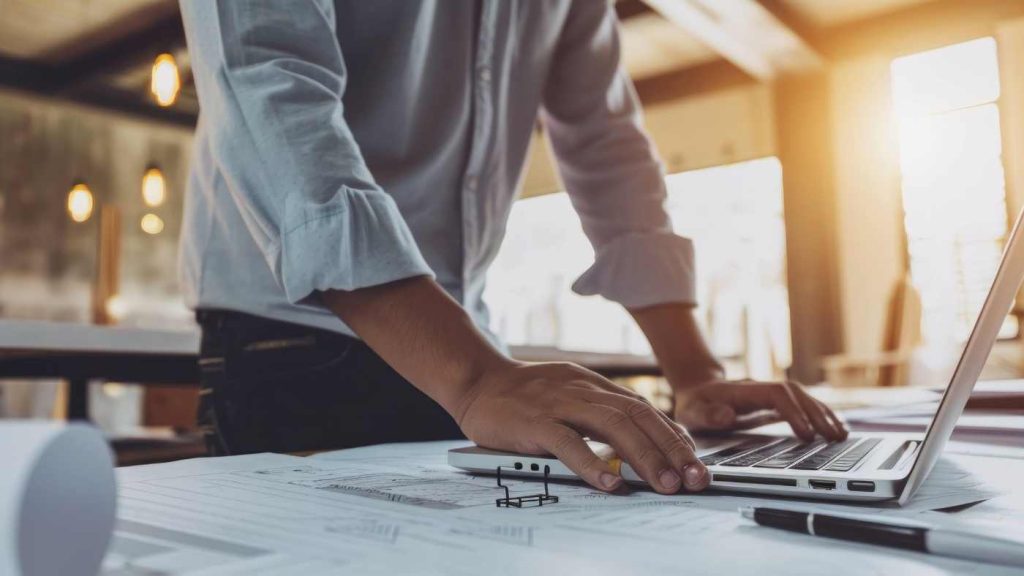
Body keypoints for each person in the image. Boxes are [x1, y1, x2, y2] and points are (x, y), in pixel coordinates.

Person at [178, 0, 846, 496]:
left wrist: (695, 372)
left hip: (464, 339)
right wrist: (474, 377)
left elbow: (605, 142)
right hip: (292, 339)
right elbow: (267, 87)